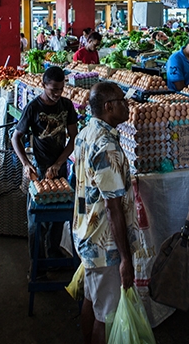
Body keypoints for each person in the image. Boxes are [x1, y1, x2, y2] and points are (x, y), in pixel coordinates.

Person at [72, 82, 142, 344]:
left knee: (93, 300)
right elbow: (113, 208)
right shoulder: (107, 146)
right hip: (105, 244)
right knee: (108, 314)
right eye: (122, 100)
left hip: (86, 231)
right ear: (108, 106)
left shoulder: (86, 133)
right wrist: (125, 259)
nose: (127, 105)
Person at [11, 67, 78, 277]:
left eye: (61, 89)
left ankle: (54, 254)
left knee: (58, 218)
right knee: (36, 221)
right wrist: (25, 163)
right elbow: (16, 138)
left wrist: (59, 163)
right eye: (53, 89)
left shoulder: (67, 105)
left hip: (59, 167)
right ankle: (37, 265)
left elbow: (73, 138)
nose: (57, 94)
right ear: (44, 85)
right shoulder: (33, 107)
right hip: (38, 170)